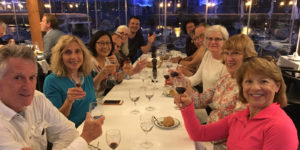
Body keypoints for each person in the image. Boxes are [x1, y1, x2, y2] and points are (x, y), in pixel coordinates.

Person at [176, 56, 298, 149]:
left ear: (277, 86)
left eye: (264, 81)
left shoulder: (280, 127)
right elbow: (199, 134)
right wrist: (187, 106)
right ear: (241, 86)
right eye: (249, 81)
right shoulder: (239, 117)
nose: (255, 87)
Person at [0, 45, 105, 150]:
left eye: (32, 77)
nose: (28, 86)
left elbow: (67, 131)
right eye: (18, 78)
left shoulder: (38, 99)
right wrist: (85, 138)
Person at [176, 34, 258, 149]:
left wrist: (202, 135)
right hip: (209, 137)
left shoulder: (250, 89)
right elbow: (199, 100)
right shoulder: (226, 78)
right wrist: (182, 83)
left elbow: (236, 130)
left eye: (236, 53)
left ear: (247, 57)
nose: (229, 58)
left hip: (222, 145)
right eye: (227, 53)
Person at [43, 35, 95, 127]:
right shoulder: (51, 81)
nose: (74, 57)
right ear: (60, 57)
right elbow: (54, 121)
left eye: (77, 51)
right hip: (70, 134)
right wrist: (68, 102)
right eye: (68, 52)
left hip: (90, 126)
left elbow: (93, 104)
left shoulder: (86, 75)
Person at [187, 25, 228, 91]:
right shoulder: (208, 54)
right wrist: (180, 81)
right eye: (210, 38)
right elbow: (196, 78)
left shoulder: (228, 62)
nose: (213, 42)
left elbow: (220, 93)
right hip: (204, 99)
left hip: (215, 100)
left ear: (225, 41)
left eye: (217, 39)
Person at [88, 31, 125, 98]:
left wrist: (120, 68)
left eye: (108, 43)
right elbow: (88, 89)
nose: (105, 46)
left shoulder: (107, 61)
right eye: (101, 43)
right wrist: (101, 74)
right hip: (91, 104)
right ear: (94, 44)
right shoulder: (89, 63)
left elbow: (116, 81)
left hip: (103, 100)